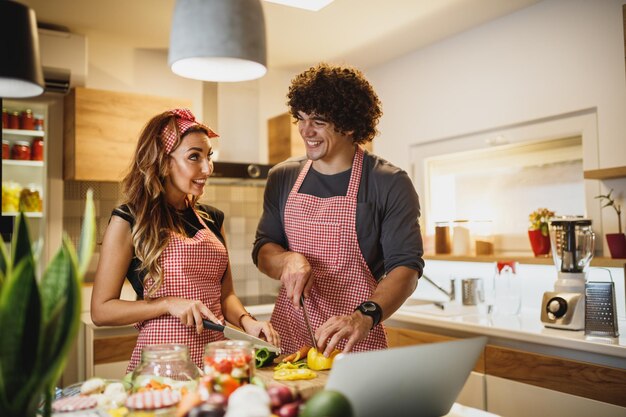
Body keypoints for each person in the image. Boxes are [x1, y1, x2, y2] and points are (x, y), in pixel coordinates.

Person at [253, 63, 424, 357]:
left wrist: (363, 316)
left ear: (349, 124)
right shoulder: (282, 177)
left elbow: (406, 268)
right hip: (290, 336)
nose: (306, 130)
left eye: (318, 121)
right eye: (301, 118)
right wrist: (287, 260)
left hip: (355, 340)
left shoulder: (388, 182)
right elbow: (263, 250)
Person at [91, 108, 279, 371]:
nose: (207, 168)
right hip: (163, 364)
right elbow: (101, 311)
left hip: (216, 359)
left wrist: (248, 322)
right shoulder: (129, 220)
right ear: (164, 162)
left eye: (208, 156)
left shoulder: (212, 219)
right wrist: (167, 304)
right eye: (194, 157)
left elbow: (226, 297)